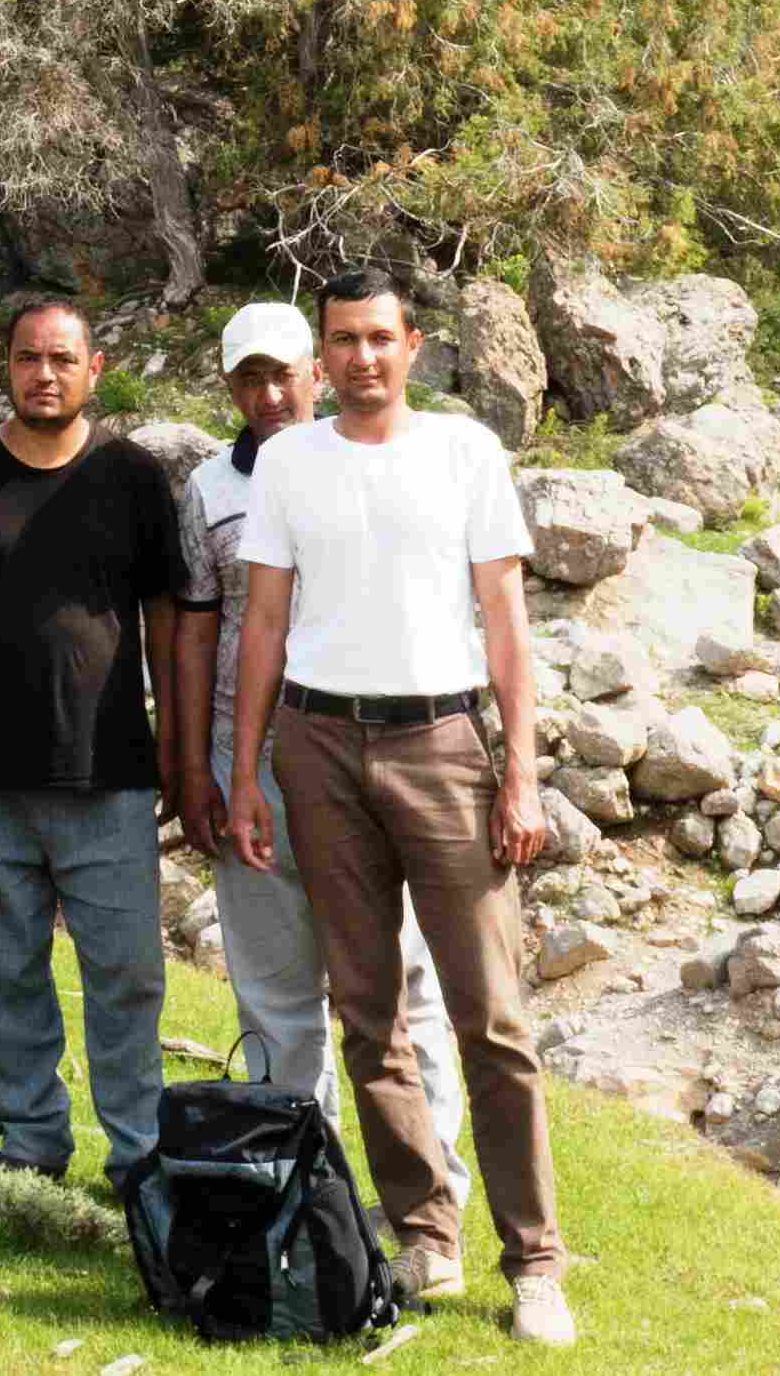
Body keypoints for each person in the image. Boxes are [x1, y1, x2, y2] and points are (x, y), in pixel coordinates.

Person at [228, 268, 573, 1345]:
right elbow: (263, 627)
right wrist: (245, 773)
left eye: (378, 338)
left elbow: (504, 620)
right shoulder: (287, 461)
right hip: (317, 741)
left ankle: (535, 1264)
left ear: (412, 345)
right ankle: (424, 1230)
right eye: (342, 340)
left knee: (491, 1020)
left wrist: (519, 770)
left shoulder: (463, 452)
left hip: (443, 741)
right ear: (318, 354)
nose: (360, 358)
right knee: (364, 1010)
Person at [175, 300, 471, 1215]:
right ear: (228, 383)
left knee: (401, 985)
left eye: (284, 372)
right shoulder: (207, 489)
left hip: (372, 749)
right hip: (249, 759)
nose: (269, 393)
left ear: (317, 370)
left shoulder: (381, 465)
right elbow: (195, 629)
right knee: (273, 993)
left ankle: (432, 1195)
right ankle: (306, 1189)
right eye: (249, 376)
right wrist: (198, 769)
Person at [0, 298, 177, 1191]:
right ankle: (28, 1141)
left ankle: (138, 1149)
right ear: (8, 366)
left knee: (129, 972)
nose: (44, 374)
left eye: (62, 359)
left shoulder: (133, 477)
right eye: (28, 358)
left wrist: (174, 743)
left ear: (94, 369)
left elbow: (170, 621)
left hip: (110, 770)